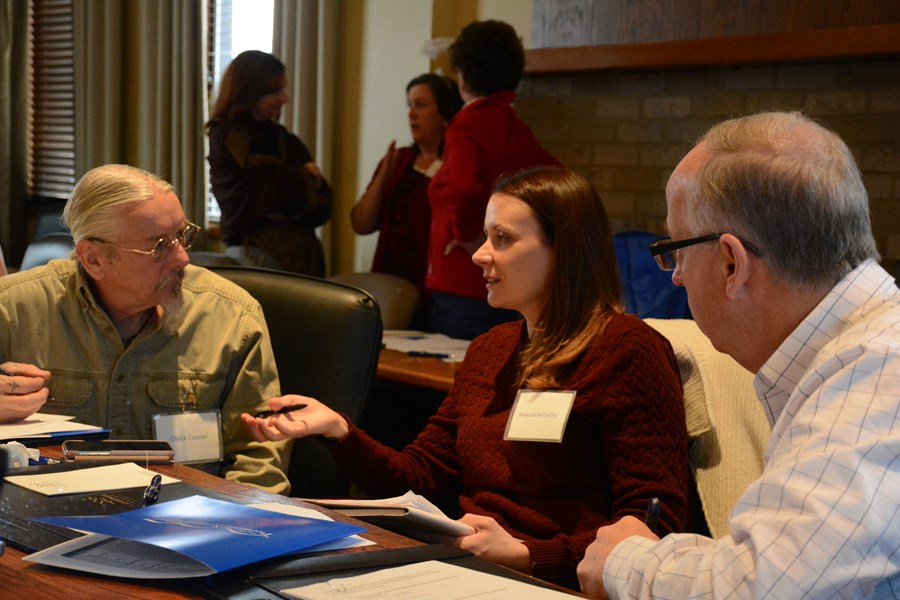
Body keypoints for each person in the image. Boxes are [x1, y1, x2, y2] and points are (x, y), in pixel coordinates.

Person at [244, 166, 691, 588]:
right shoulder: (490, 349)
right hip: (462, 567)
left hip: (552, 582)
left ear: (565, 251)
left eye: (503, 239)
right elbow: (419, 476)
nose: (479, 254)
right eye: (485, 235)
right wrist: (338, 430)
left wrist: (530, 554)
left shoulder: (629, 351)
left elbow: (652, 523)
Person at [576, 112, 900, 599]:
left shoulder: (875, 369)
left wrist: (624, 560)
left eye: (674, 249)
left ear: (732, 263)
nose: (676, 278)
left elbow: (760, 587)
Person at [0, 164, 291, 494]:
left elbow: (259, 461)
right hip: (43, 520)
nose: (182, 258)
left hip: (187, 523)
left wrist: (234, 531)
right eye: (159, 246)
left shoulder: (232, 317)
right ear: (93, 259)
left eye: (182, 236)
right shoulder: (12, 312)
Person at [428, 20, 560, 340]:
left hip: (461, 280)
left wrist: (468, 235)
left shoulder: (465, 126)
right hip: (508, 281)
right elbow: (556, 178)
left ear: (463, 74)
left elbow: (461, 187)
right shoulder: (514, 126)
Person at [351, 73, 462, 329]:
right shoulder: (398, 159)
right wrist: (381, 179)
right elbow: (361, 224)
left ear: (444, 112)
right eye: (409, 105)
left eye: (421, 105)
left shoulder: (457, 165)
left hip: (436, 289)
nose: (411, 114)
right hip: (393, 285)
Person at [207, 50, 332, 276]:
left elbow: (323, 202)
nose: (285, 98)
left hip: (305, 258)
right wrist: (298, 177)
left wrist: (280, 183)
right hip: (254, 256)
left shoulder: (284, 138)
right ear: (250, 93)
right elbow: (247, 198)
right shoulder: (225, 138)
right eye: (275, 91)